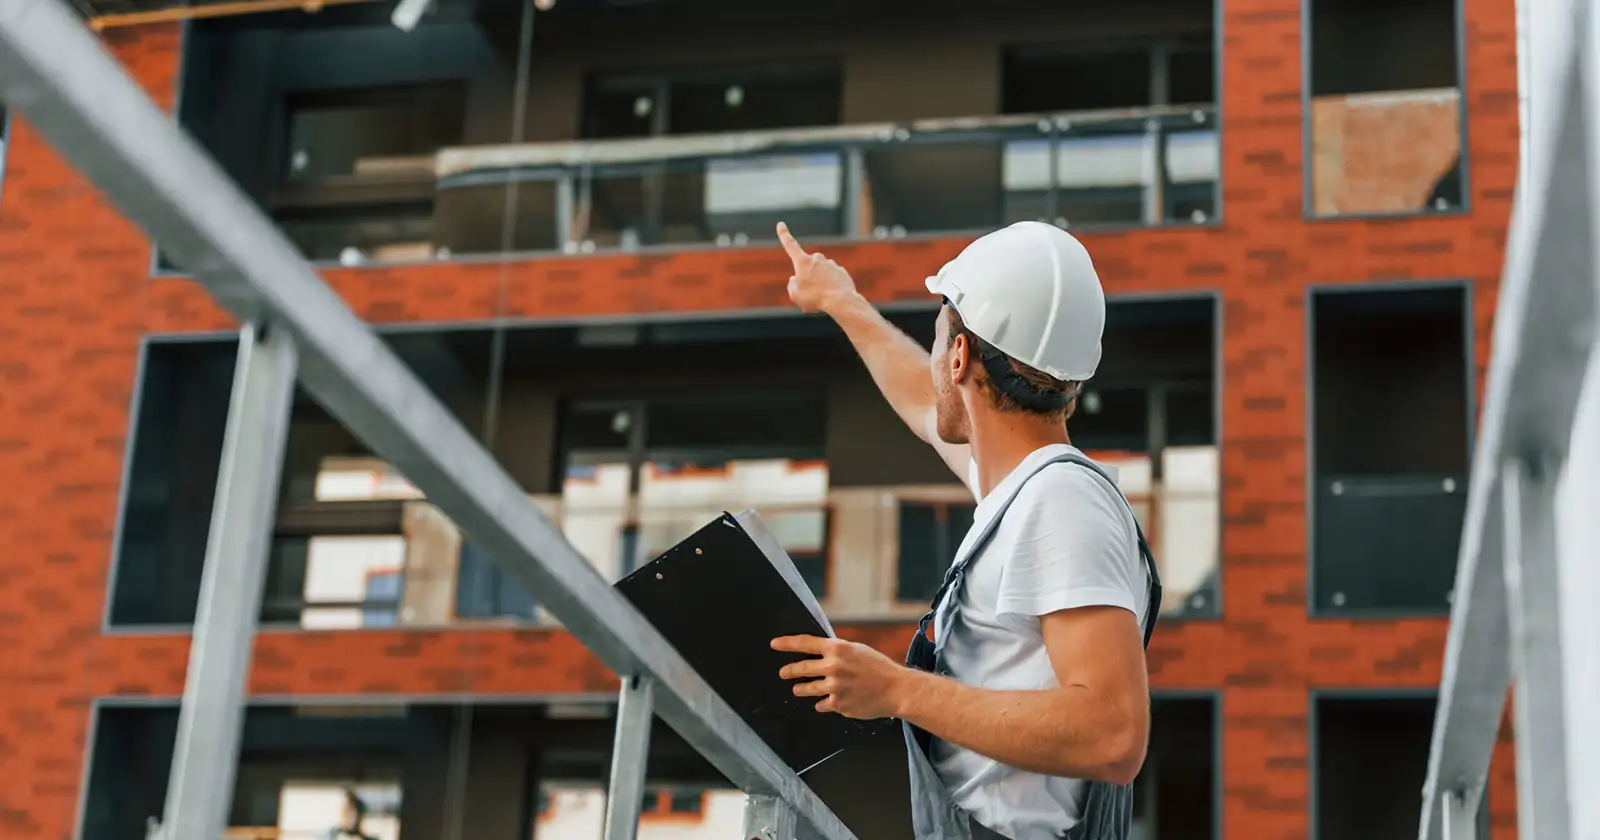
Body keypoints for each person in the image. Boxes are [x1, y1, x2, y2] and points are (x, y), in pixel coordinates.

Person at [768, 221, 1161, 840]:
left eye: (936, 342)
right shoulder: (1024, 489)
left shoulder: (1060, 503)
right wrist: (839, 300)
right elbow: (927, 409)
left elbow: (1112, 733)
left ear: (957, 357)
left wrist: (896, 689)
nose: (929, 367)